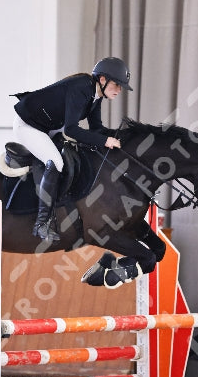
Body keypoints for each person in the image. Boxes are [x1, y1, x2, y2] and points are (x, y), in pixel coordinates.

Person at [11, 57, 133, 242]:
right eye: (116, 84)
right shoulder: (81, 88)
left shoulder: (96, 96)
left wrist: (122, 137)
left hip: (48, 128)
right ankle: (42, 223)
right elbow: (71, 129)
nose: (119, 90)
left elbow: (97, 129)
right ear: (102, 79)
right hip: (28, 126)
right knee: (57, 162)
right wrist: (105, 140)